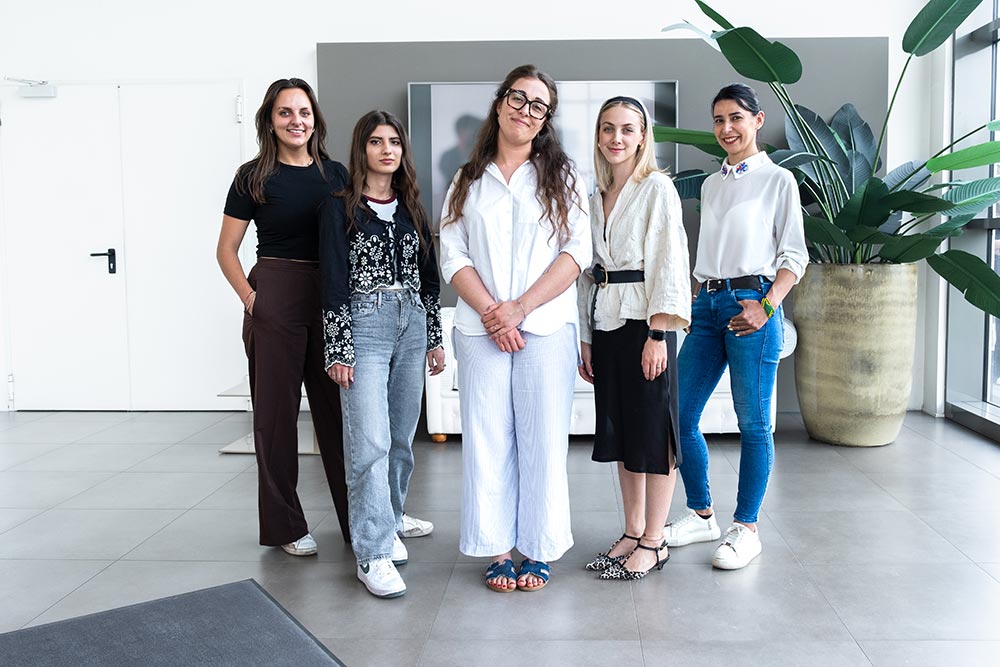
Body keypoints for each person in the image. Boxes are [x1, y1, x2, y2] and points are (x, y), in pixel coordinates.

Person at [439, 64, 592, 593]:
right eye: (518, 99)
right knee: (486, 439)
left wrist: (519, 309)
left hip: (545, 328)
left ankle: (539, 549)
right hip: (479, 330)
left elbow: (576, 253)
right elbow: (452, 254)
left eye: (538, 105)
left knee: (543, 440)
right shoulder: (467, 178)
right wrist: (493, 313)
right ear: (500, 102)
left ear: (546, 119)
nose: (526, 111)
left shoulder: (563, 178)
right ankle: (498, 549)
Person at [663, 83, 807, 570]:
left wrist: (766, 306)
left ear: (757, 120)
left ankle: (746, 528)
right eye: (719, 120)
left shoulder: (778, 180)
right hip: (707, 305)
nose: (726, 128)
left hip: (753, 304)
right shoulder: (711, 184)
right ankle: (701, 514)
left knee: (753, 423)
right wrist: (694, 300)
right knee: (679, 414)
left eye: (736, 118)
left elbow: (794, 255)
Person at [216, 78, 351, 556]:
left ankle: (362, 521)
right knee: (276, 418)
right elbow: (226, 249)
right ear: (270, 121)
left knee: (341, 415)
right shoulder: (252, 176)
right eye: (285, 112)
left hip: (330, 294)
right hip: (276, 290)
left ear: (315, 119)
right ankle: (285, 527)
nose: (297, 121)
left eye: (304, 112)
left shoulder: (337, 175)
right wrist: (252, 299)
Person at [320, 110, 445, 598]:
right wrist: (339, 348)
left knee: (399, 438)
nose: (387, 149)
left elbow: (429, 279)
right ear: (362, 149)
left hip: (411, 322)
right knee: (368, 442)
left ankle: (390, 518)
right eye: (376, 141)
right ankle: (371, 552)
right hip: (364, 324)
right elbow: (332, 280)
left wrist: (433, 337)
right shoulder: (339, 208)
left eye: (394, 141)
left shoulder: (412, 207)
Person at [577, 96, 691, 580]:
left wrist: (658, 333)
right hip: (606, 323)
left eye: (627, 129)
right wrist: (586, 338)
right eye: (608, 128)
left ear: (643, 136)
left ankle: (655, 541)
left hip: (646, 325)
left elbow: (669, 260)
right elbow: (587, 273)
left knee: (653, 433)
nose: (616, 138)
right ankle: (632, 530)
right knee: (623, 434)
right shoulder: (594, 196)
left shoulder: (657, 188)